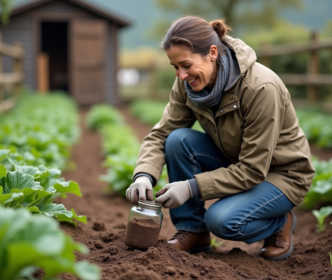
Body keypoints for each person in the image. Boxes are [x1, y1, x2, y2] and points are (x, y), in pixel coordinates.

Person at [125, 16, 315, 261]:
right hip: (234, 157)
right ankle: (193, 232)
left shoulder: (261, 88)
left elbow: (253, 169)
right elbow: (162, 133)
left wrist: (190, 187)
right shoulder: (187, 83)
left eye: (186, 65)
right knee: (177, 140)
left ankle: (279, 222)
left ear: (212, 53)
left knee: (222, 221)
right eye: (175, 67)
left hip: (282, 174)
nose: (181, 75)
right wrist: (144, 175)